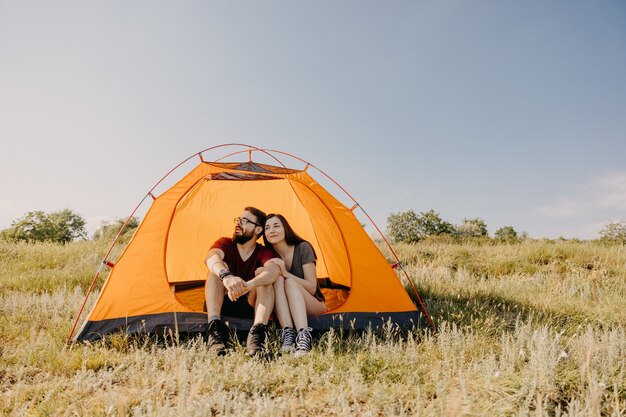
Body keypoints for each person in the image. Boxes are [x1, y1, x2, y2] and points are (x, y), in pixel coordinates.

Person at [205, 207, 281, 356]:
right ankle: (214, 330)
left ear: (258, 229)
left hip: (250, 305)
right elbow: (211, 258)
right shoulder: (226, 243)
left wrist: (249, 285)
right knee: (216, 270)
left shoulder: (263, 251)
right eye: (238, 220)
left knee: (263, 275)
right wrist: (226, 276)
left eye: (245, 221)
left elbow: (274, 270)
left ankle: (257, 336)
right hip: (224, 301)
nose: (238, 223)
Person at [263, 214, 326, 356]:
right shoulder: (269, 255)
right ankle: (287, 334)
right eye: (267, 228)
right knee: (278, 281)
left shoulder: (303, 247)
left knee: (289, 281)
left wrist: (285, 273)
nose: (271, 230)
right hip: (285, 306)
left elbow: (312, 287)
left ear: (285, 228)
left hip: (313, 303)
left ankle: (304, 337)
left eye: (276, 226)